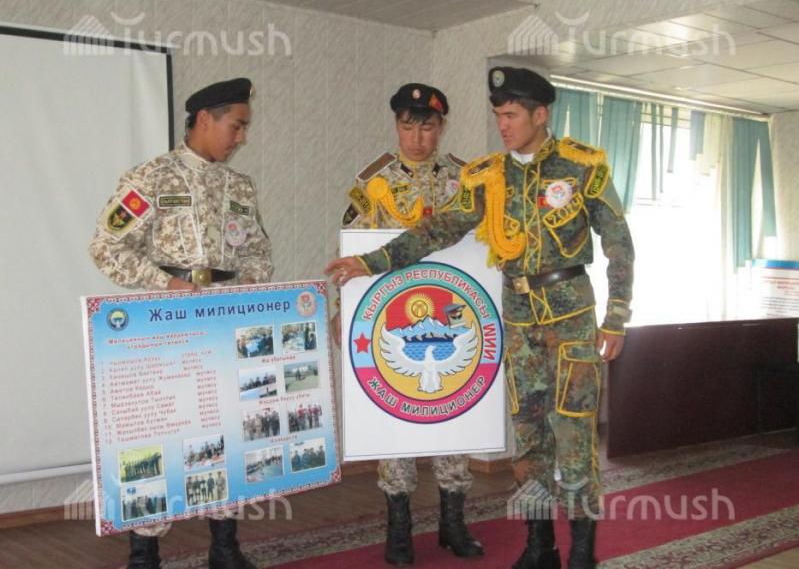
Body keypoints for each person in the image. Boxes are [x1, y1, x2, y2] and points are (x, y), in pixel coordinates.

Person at [325, 67, 635, 569]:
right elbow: (438, 230)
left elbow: (618, 243)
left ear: (540, 114)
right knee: (529, 438)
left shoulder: (582, 166)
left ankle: (582, 555)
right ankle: (540, 548)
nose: (502, 125)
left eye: (511, 115)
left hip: (571, 315)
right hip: (519, 318)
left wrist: (617, 315)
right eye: (498, 116)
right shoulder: (488, 175)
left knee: (574, 435)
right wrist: (371, 261)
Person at [89, 77, 273, 569]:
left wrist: (248, 291)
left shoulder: (240, 186)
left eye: (245, 128)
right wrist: (164, 282)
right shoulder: (151, 177)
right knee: (159, 438)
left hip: (223, 328)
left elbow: (259, 253)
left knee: (225, 432)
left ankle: (224, 546)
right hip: (166, 327)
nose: (242, 137)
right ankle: (145, 552)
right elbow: (106, 247)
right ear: (205, 119)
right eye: (237, 126)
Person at [330, 82, 484, 565]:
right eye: (408, 126)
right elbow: (353, 252)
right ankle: (398, 530)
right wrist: (343, 308)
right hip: (392, 317)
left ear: (442, 127)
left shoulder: (466, 180)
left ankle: (452, 524)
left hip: (453, 313)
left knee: (454, 414)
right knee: (394, 417)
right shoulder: (373, 184)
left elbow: (484, 251)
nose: (417, 138)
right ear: (397, 126)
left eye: (428, 127)